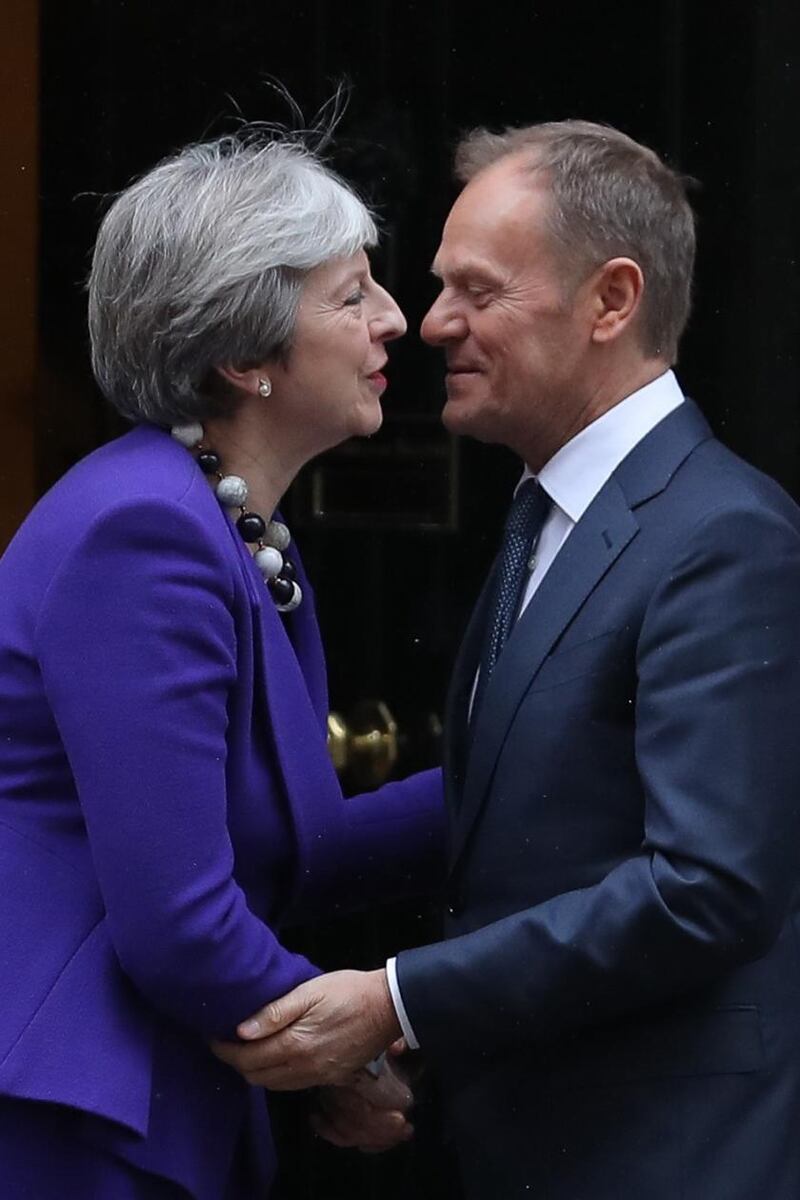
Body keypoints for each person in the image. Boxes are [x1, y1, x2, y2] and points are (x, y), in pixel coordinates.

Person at [213, 120, 800, 1199]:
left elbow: (705, 888)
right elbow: (531, 814)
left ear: (609, 302)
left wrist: (399, 999)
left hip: (665, 1158)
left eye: (475, 290)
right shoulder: (547, 512)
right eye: (437, 288)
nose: (430, 322)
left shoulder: (721, 536)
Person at [0, 129, 444, 1199]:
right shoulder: (143, 534)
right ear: (243, 359)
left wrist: (528, 773)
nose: (393, 318)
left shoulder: (226, 525)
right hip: (77, 1127)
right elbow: (180, 920)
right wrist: (352, 1050)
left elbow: (297, 846)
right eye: (351, 295)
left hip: (147, 1103)